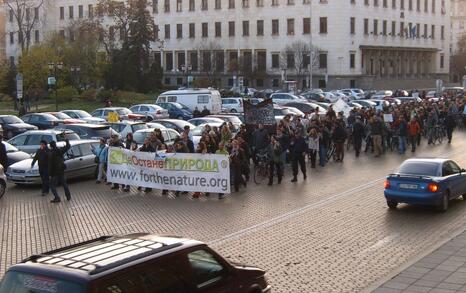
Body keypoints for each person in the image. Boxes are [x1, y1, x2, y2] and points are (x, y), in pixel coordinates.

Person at [48, 139, 71, 203]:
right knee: (64, 183)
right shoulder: (59, 150)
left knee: (52, 185)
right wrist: (66, 140)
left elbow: (50, 165)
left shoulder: (51, 153)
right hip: (61, 170)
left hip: (54, 172)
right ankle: (68, 196)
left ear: (51, 146)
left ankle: (57, 198)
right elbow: (68, 146)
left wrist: (49, 174)